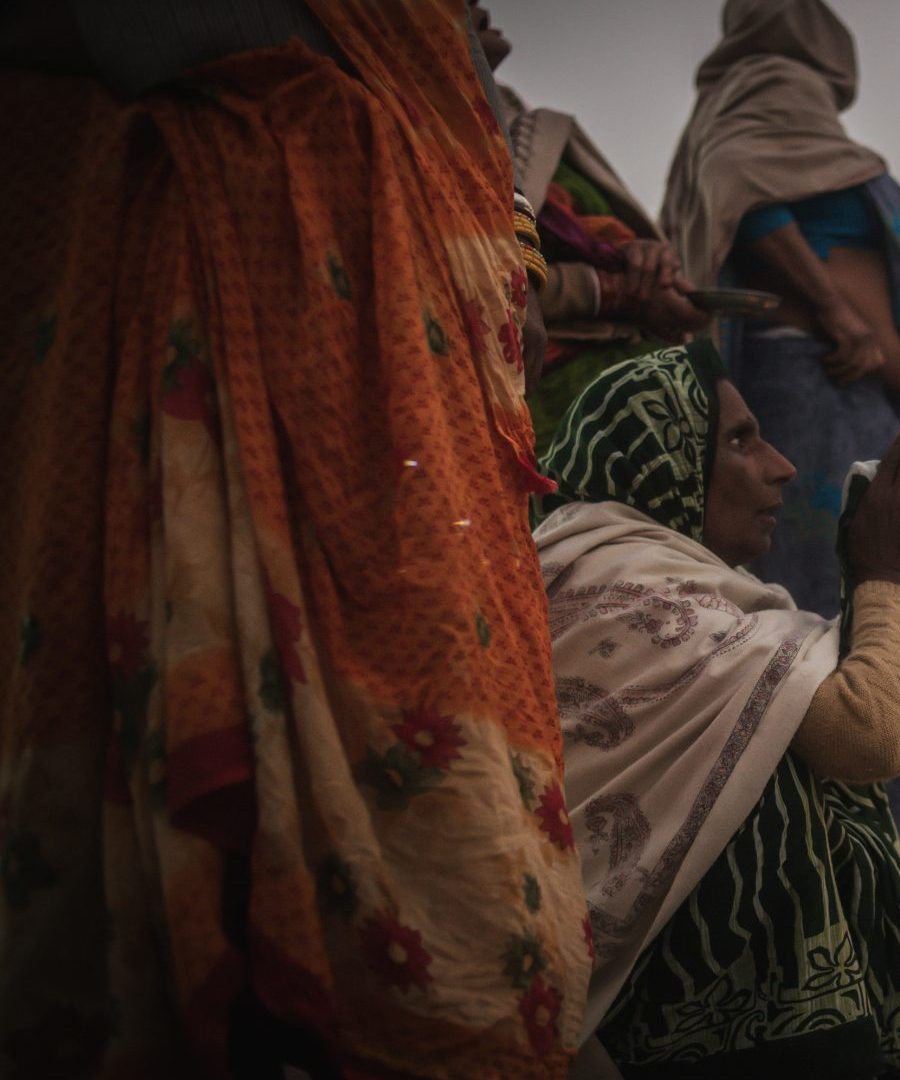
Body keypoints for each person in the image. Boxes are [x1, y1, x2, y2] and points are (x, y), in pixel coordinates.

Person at [0, 3, 588, 1076]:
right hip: (236, 285)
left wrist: (511, 244)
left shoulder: (419, 103)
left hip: (374, 334)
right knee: (228, 712)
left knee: (366, 718)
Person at [534, 345, 900, 1079]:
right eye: (739, 440)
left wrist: (878, 581)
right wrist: (884, 574)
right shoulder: (626, 581)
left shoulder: (630, 569)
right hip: (618, 1008)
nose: (781, 465)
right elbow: (868, 736)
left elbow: (880, 711)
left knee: (772, 720)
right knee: (777, 769)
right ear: (664, 460)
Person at [662, 0, 900, 901]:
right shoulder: (763, 85)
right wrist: (836, 308)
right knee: (841, 615)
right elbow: (746, 184)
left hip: (857, 405)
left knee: (896, 607)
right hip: (809, 403)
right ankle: (861, 885)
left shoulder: (786, 103)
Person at [472, 1, 712, 444]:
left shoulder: (535, 132)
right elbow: (475, 275)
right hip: (550, 406)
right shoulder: (441, 139)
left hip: (640, 378)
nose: (479, 8)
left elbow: (599, 231)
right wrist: (620, 291)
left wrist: (644, 257)